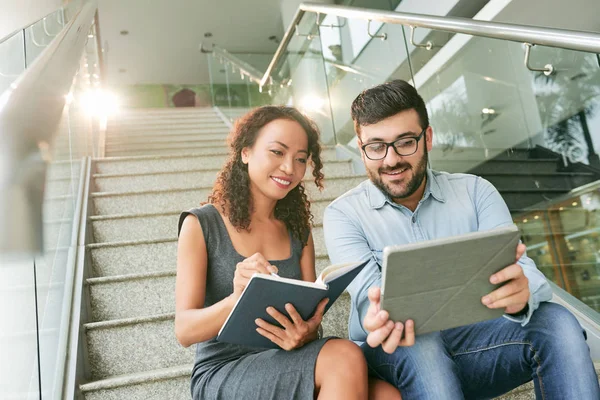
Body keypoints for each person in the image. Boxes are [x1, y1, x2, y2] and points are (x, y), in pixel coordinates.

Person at [323, 80, 600, 399]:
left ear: (427, 138)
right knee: (417, 339)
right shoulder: (343, 214)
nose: (391, 160)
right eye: (376, 146)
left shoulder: (476, 192)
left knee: (557, 321)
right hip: (395, 357)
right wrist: (379, 316)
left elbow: (527, 274)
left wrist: (522, 291)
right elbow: (367, 298)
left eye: (405, 142)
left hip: (478, 345)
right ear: (361, 149)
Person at [175, 106, 400, 400]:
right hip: (224, 369)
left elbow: (310, 322)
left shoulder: (299, 231)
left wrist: (305, 333)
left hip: (287, 360)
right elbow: (185, 330)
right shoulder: (201, 224)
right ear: (245, 152)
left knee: (387, 395)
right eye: (277, 152)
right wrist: (237, 298)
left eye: (300, 159)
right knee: (344, 356)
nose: (289, 168)